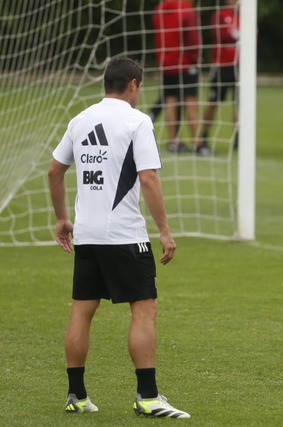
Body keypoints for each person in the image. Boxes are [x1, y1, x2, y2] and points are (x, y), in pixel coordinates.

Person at [48, 57, 190, 418]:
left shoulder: (80, 120)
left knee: (82, 310)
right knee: (144, 308)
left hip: (87, 233)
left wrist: (63, 218)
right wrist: (164, 230)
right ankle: (148, 396)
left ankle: (76, 395)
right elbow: (148, 179)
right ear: (132, 85)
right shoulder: (136, 121)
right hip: (124, 234)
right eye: (139, 87)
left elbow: (54, 170)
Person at [152, 0, 202, 154]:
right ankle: (197, 143)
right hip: (185, 62)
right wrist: (195, 59)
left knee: (170, 100)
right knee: (190, 101)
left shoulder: (159, 10)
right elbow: (193, 38)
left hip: (166, 62)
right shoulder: (186, 10)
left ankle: (173, 141)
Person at [200, 0, 240, 153]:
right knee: (213, 102)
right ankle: (204, 136)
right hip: (221, 66)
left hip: (240, 66)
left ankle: (239, 138)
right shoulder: (220, 15)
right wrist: (236, 35)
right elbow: (222, 35)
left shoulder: (244, 17)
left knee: (239, 103)